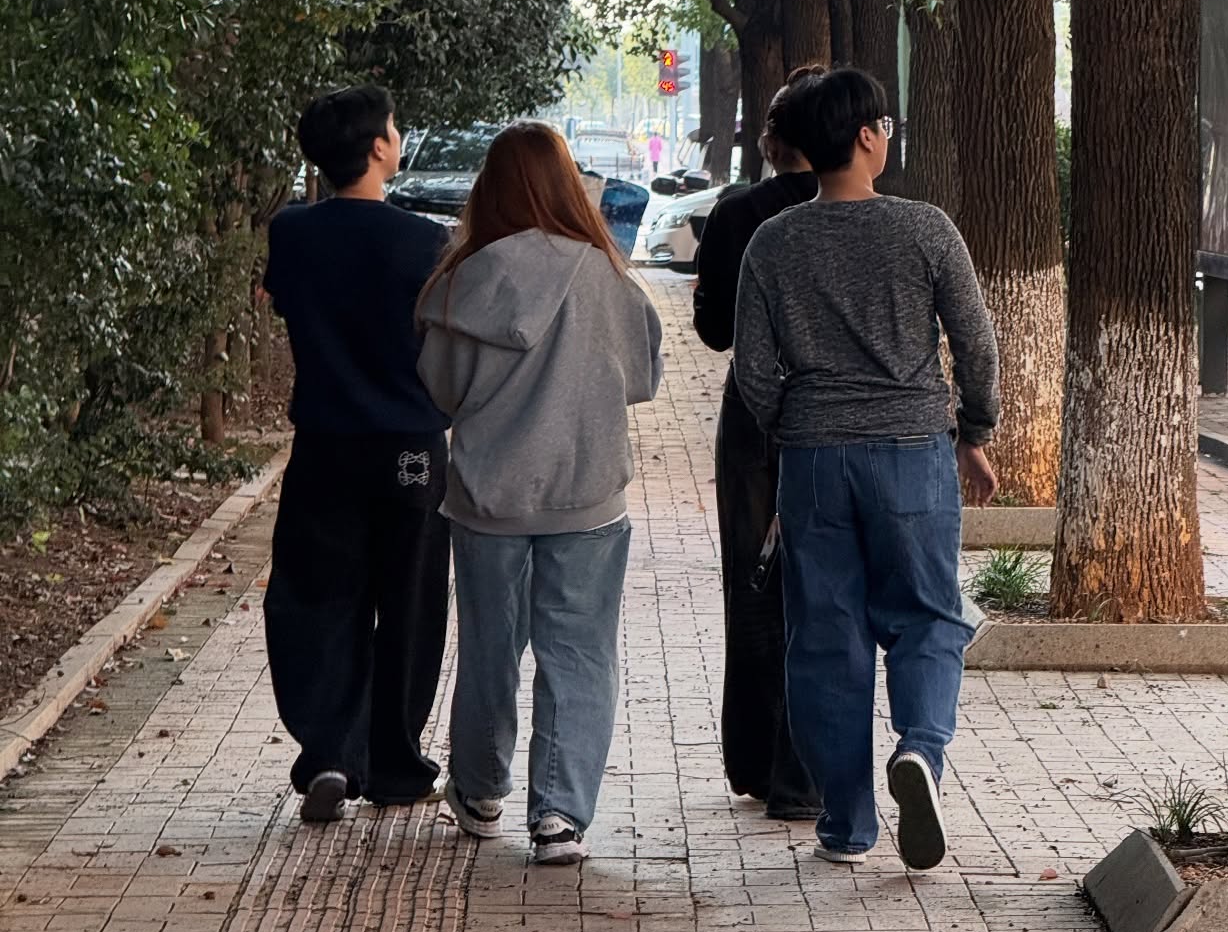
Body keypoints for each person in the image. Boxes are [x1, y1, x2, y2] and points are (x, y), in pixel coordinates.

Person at [732, 66, 1000, 871]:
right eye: (884, 124)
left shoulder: (773, 242)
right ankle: (920, 748)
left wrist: (797, 426)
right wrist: (973, 430)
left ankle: (846, 824)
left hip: (813, 463)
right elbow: (976, 345)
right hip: (911, 455)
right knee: (926, 617)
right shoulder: (925, 230)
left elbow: (751, 372)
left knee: (825, 639)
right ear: (864, 137)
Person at [417, 123, 663, 864]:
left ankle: (481, 788)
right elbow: (644, 379)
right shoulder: (609, 277)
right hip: (587, 493)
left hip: (489, 496)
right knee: (580, 651)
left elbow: (442, 390)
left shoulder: (462, 281)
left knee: (491, 646)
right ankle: (559, 816)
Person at [263, 84, 451, 825]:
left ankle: (328, 751)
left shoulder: (292, 233)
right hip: (409, 443)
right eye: (395, 128)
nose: (398, 137)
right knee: (409, 598)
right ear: (378, 147)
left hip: (325, 443)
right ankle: (398, 763)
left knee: (316, 595)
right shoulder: (425, 241)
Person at [693, 101, 821, 820]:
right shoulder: (874, 215)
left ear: (772, 140)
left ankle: (755, 760)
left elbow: (714, 331)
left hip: (750, 415)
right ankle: (808, 768)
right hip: (837, 418)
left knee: (753, 584)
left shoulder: (740, 213)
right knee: (824, 592)